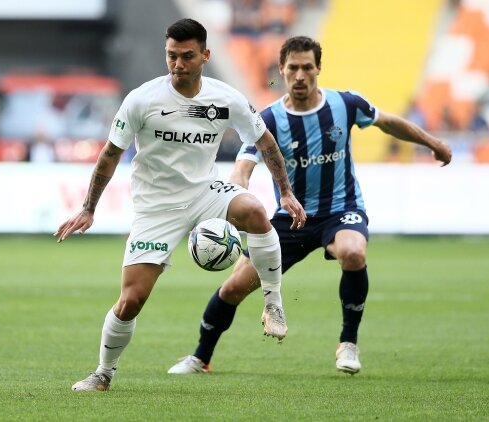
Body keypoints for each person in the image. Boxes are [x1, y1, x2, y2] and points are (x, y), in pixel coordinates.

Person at [167, 35, 452, 376]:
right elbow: (244, 167)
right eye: (293, 68)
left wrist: (432, 143)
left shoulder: (345, 105)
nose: (300, 75)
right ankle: (201, 357)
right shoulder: (268, 120)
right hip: (291, 220)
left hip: (340, 209)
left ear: (318, 68)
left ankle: (348, 342)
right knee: (233, 287)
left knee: (353, 252)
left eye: (307, 67)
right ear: (281, 70)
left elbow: (387, 121)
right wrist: (234, 196)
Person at [54, 18, 306, 392]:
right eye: (171, 56)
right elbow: (109, 155)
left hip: (205, 192)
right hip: (157, 207)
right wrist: (89, 207)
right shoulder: (142, 99)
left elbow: (266, 142)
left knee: (255, 212)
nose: (178, 64)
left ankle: (273, 302)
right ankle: (103, 373)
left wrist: (284, 192)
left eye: (187, 56)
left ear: (205, 55)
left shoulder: (226, 98)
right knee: (131, 300)